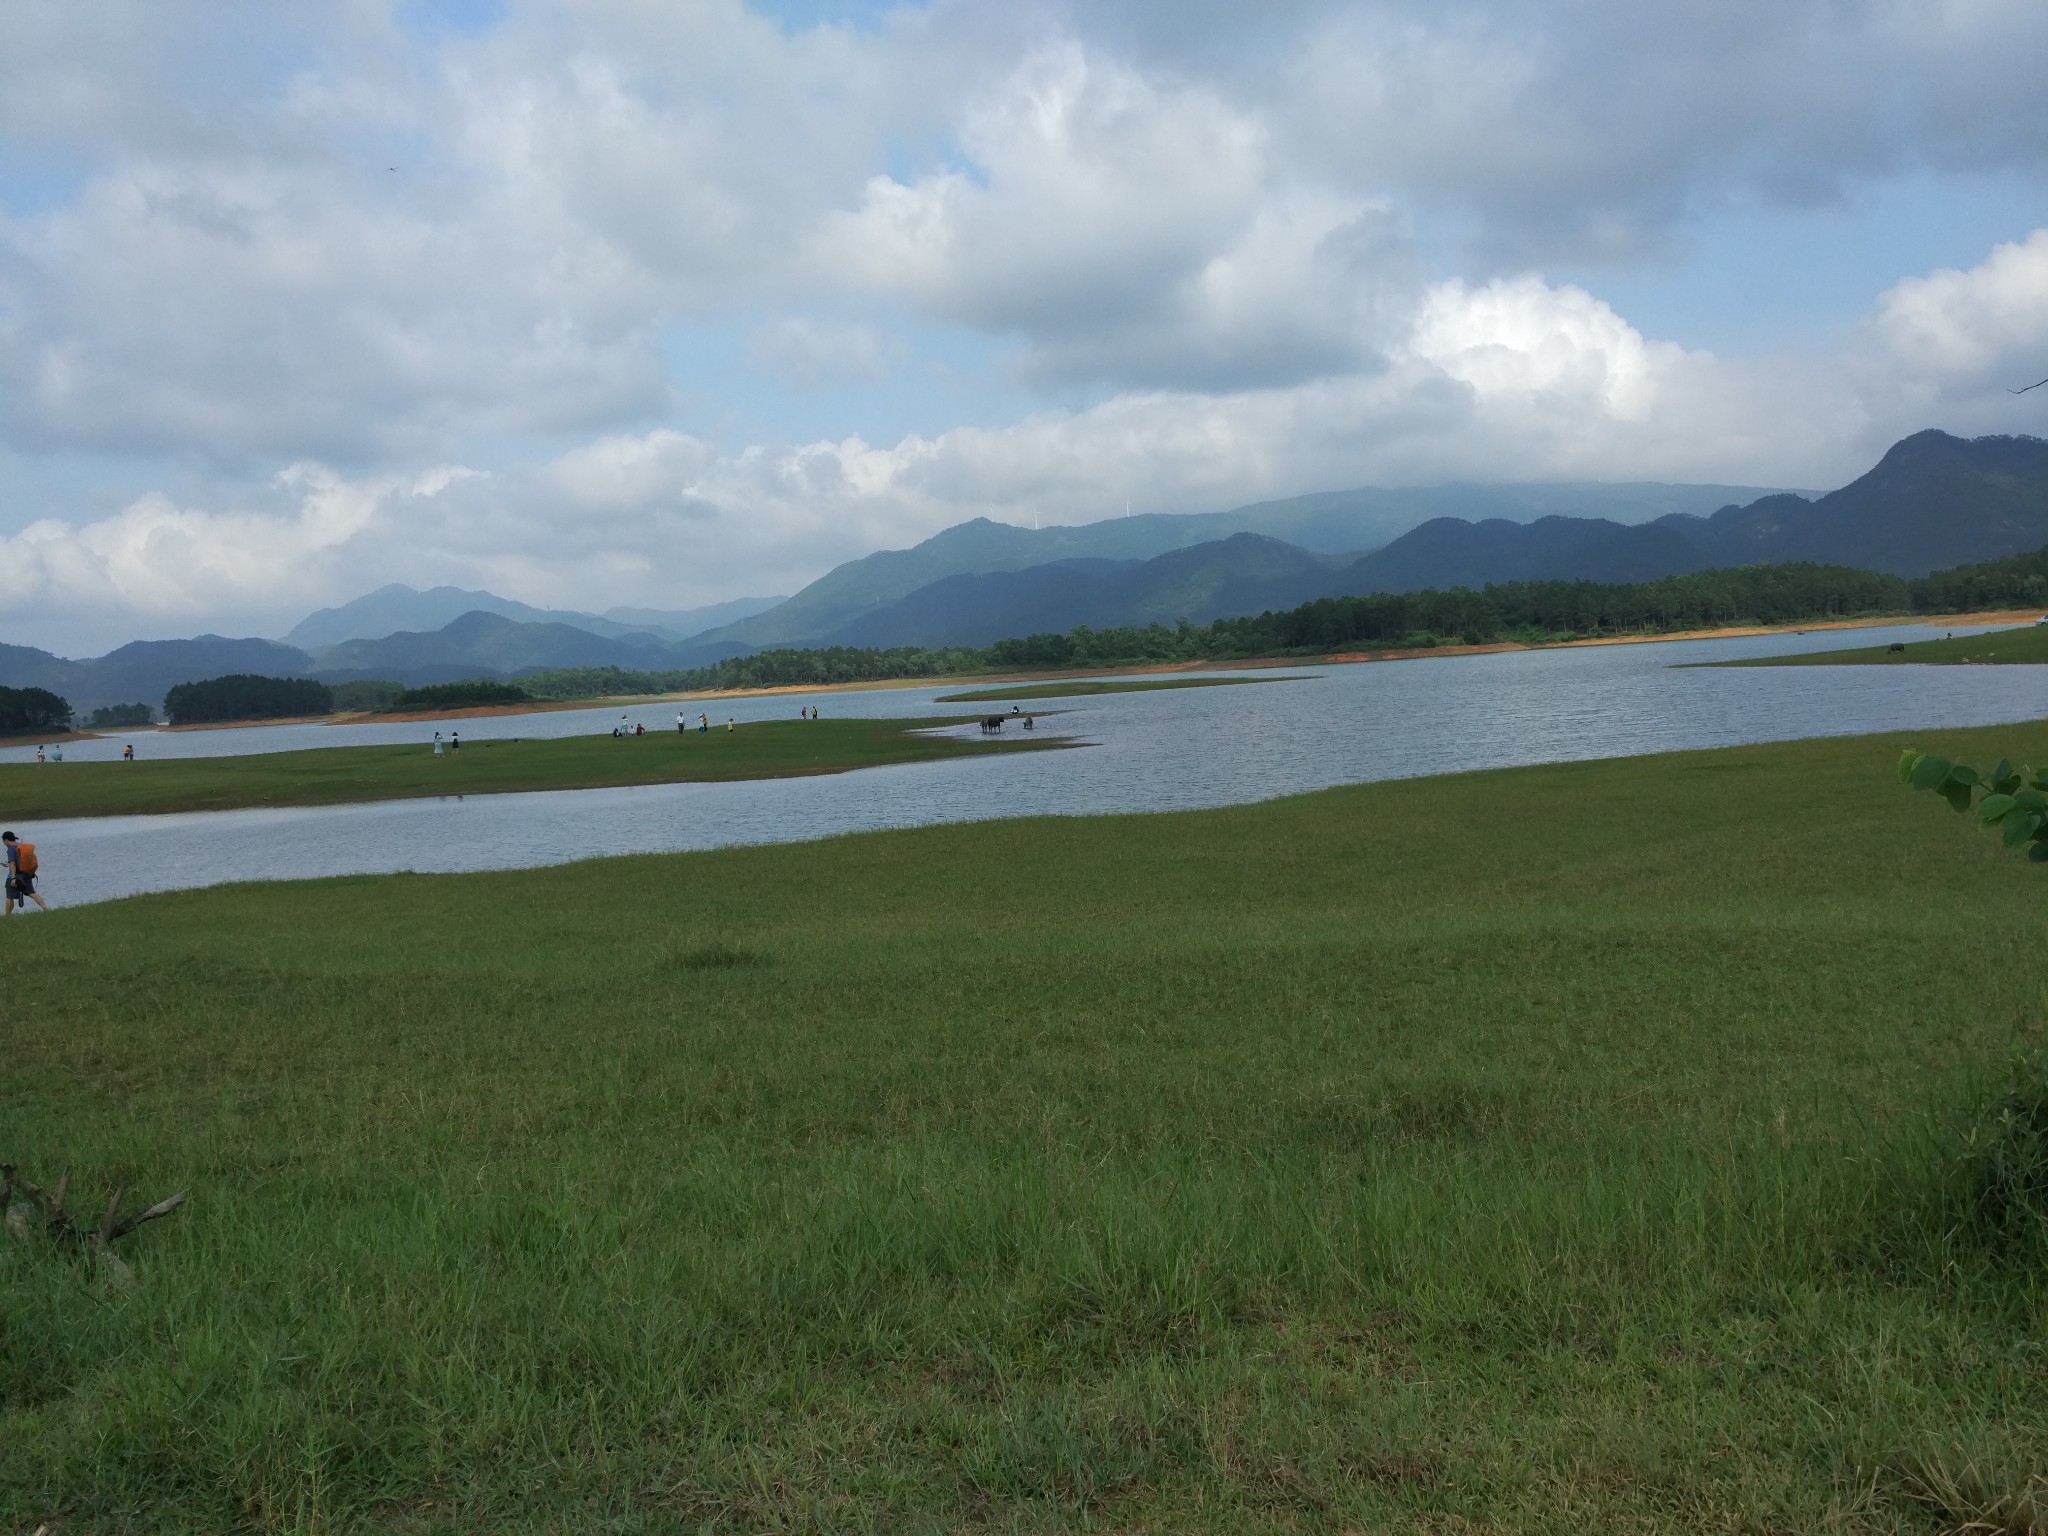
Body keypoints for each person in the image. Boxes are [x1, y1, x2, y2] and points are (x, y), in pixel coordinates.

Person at [3, 831, 48, 914]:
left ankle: (7, 917)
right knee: (32, 893)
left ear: (6, 840)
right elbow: (16, 862)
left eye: (3, 841)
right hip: (26, 874)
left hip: (14, 877)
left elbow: (13, 863)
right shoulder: (19, 846)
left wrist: (13, 878)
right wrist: (8, 863)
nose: (4, 843)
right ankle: (46, 909)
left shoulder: (10, 849)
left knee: (9, 897)